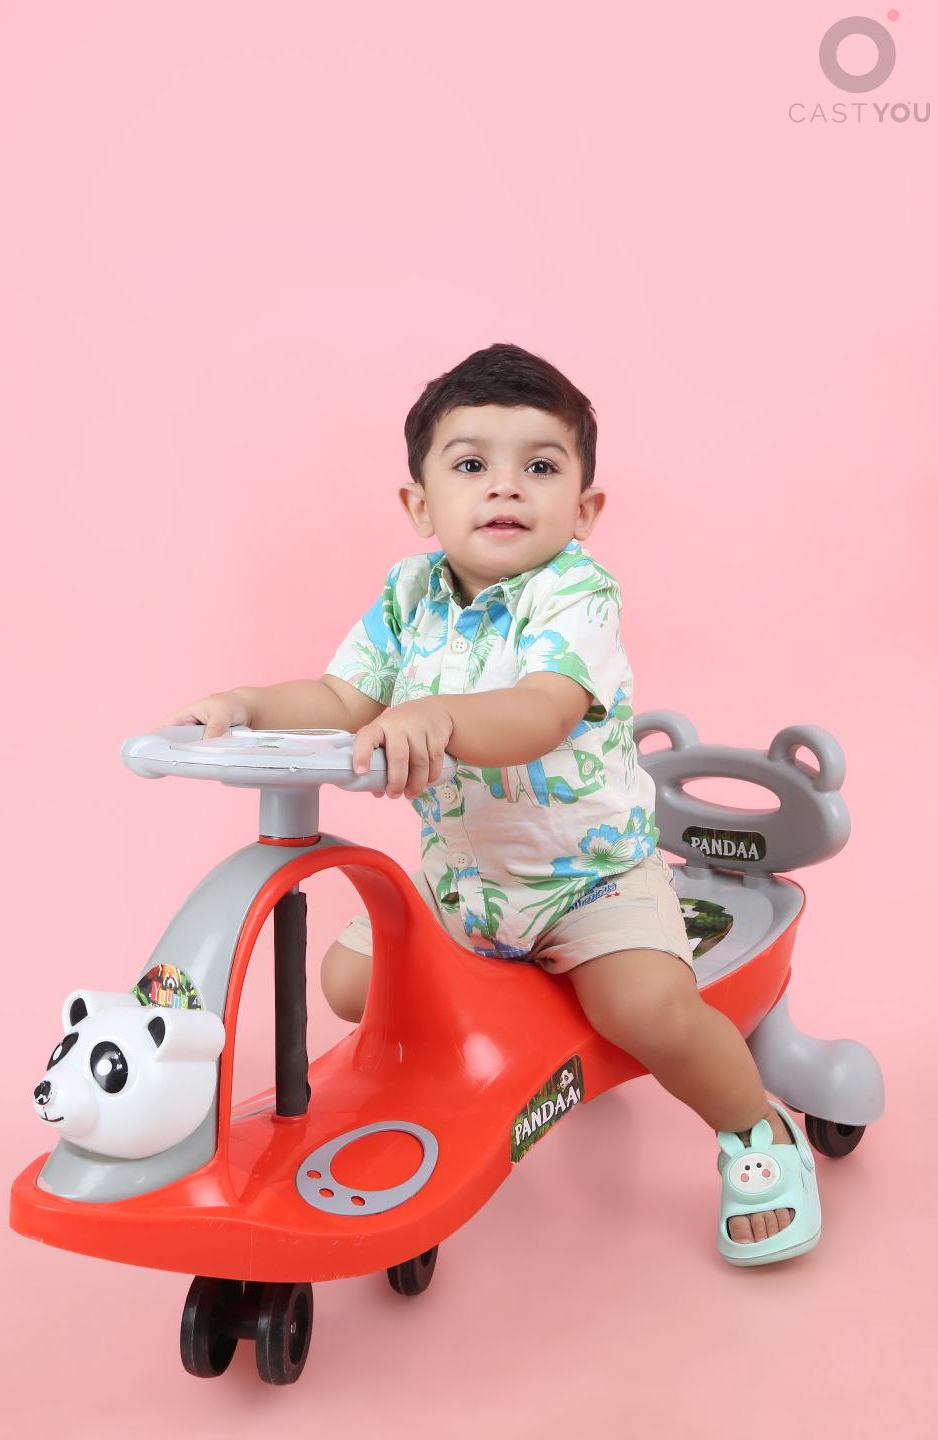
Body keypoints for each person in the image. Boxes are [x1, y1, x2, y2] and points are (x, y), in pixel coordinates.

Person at [161, 341, 820, 1265]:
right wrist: (246, 705)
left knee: (646, 1010)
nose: (505, 487)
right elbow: (343, 696)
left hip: (588, 878)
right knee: (348, 985)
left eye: (539, 468)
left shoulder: (576, 593)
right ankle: (491, 1046)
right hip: (464, 883)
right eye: (472, 465)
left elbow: (540, 713)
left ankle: (755, 1128)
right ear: (420, 505)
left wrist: (436, 716)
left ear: (584, 509)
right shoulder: (408, 596)